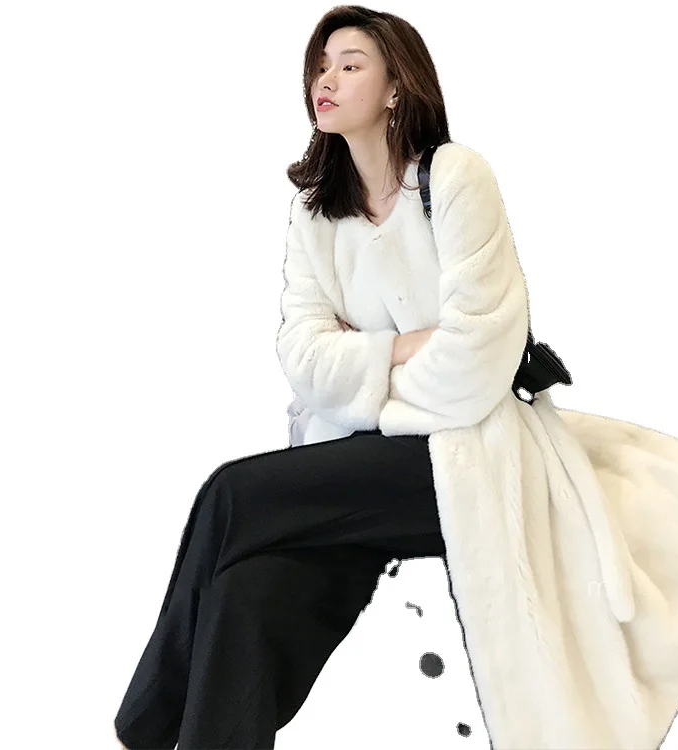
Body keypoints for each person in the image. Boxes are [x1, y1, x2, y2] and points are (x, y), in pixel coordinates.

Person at [114, 7, 460, 749]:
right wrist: (402, 348)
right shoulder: (316, 213)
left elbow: (475, 346)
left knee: (231, 494)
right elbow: (301, 356)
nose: (325, 79)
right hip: (342, 468)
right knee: (245, 592)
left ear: (396, 86)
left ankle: (143, 726)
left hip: (452, 460)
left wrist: (358, 356)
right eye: (321, 66)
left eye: (350, 64)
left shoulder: (451, 184)